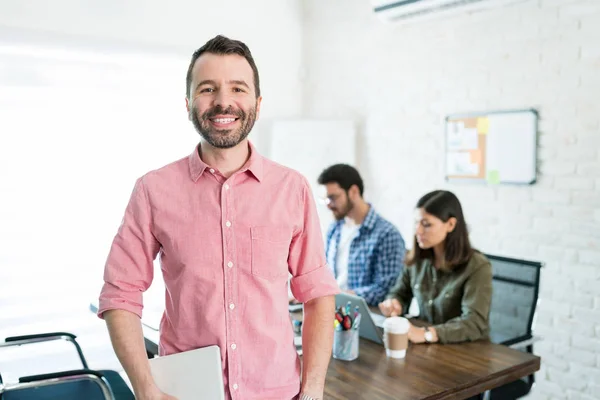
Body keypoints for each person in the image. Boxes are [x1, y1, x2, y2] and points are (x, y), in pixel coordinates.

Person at [97, 35, 339, 400]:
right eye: (208, 88)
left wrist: (313, 389)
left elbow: (318, 294)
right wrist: (145, 388)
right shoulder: (152, 190)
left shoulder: (293, 189)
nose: (223, 101)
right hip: (187, 393)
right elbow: (119, 293)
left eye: (238, 88)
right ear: (189, 103)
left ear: (257, 102)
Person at [379, 190, 492, 344]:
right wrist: (394, 303)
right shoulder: (418, 259)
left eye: (426, 224)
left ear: (451, 224)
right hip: (430, 348)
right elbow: (399, 292)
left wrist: (427, 334)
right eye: (416, 223)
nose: (418, 230)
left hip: (466, 350)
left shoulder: (477, 266)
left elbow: (474, 323)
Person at [317, 164, 405, 306]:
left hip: (364, 315)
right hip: (332, 309)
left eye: (333, 198)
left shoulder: (387, 234)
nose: (329, 205)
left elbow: (385, 290)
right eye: (326, 199)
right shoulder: (335, 229)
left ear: (354, 191)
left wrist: (340, 296)